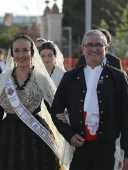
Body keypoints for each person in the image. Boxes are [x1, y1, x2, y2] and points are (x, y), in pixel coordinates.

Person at [0, 35, 73, 170]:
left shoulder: (41, 78)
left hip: (36, 138)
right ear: (11, 54)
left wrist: (69, 132)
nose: (21, 55)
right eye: (16, 51)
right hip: (7, 137)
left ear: (32, 52)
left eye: (25, 50)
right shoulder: (4, 79)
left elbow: (53, 109)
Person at [51, 29, 128, 170]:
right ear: (83, 48)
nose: (94, 49)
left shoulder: (118, 77)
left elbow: (126, 117)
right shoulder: (70, 77)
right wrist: (69, 135)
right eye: (89, 45)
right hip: (78, 148)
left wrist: (126, 154)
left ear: (106, 48)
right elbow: (56, 109)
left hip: (106, 150)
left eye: (99, 45)